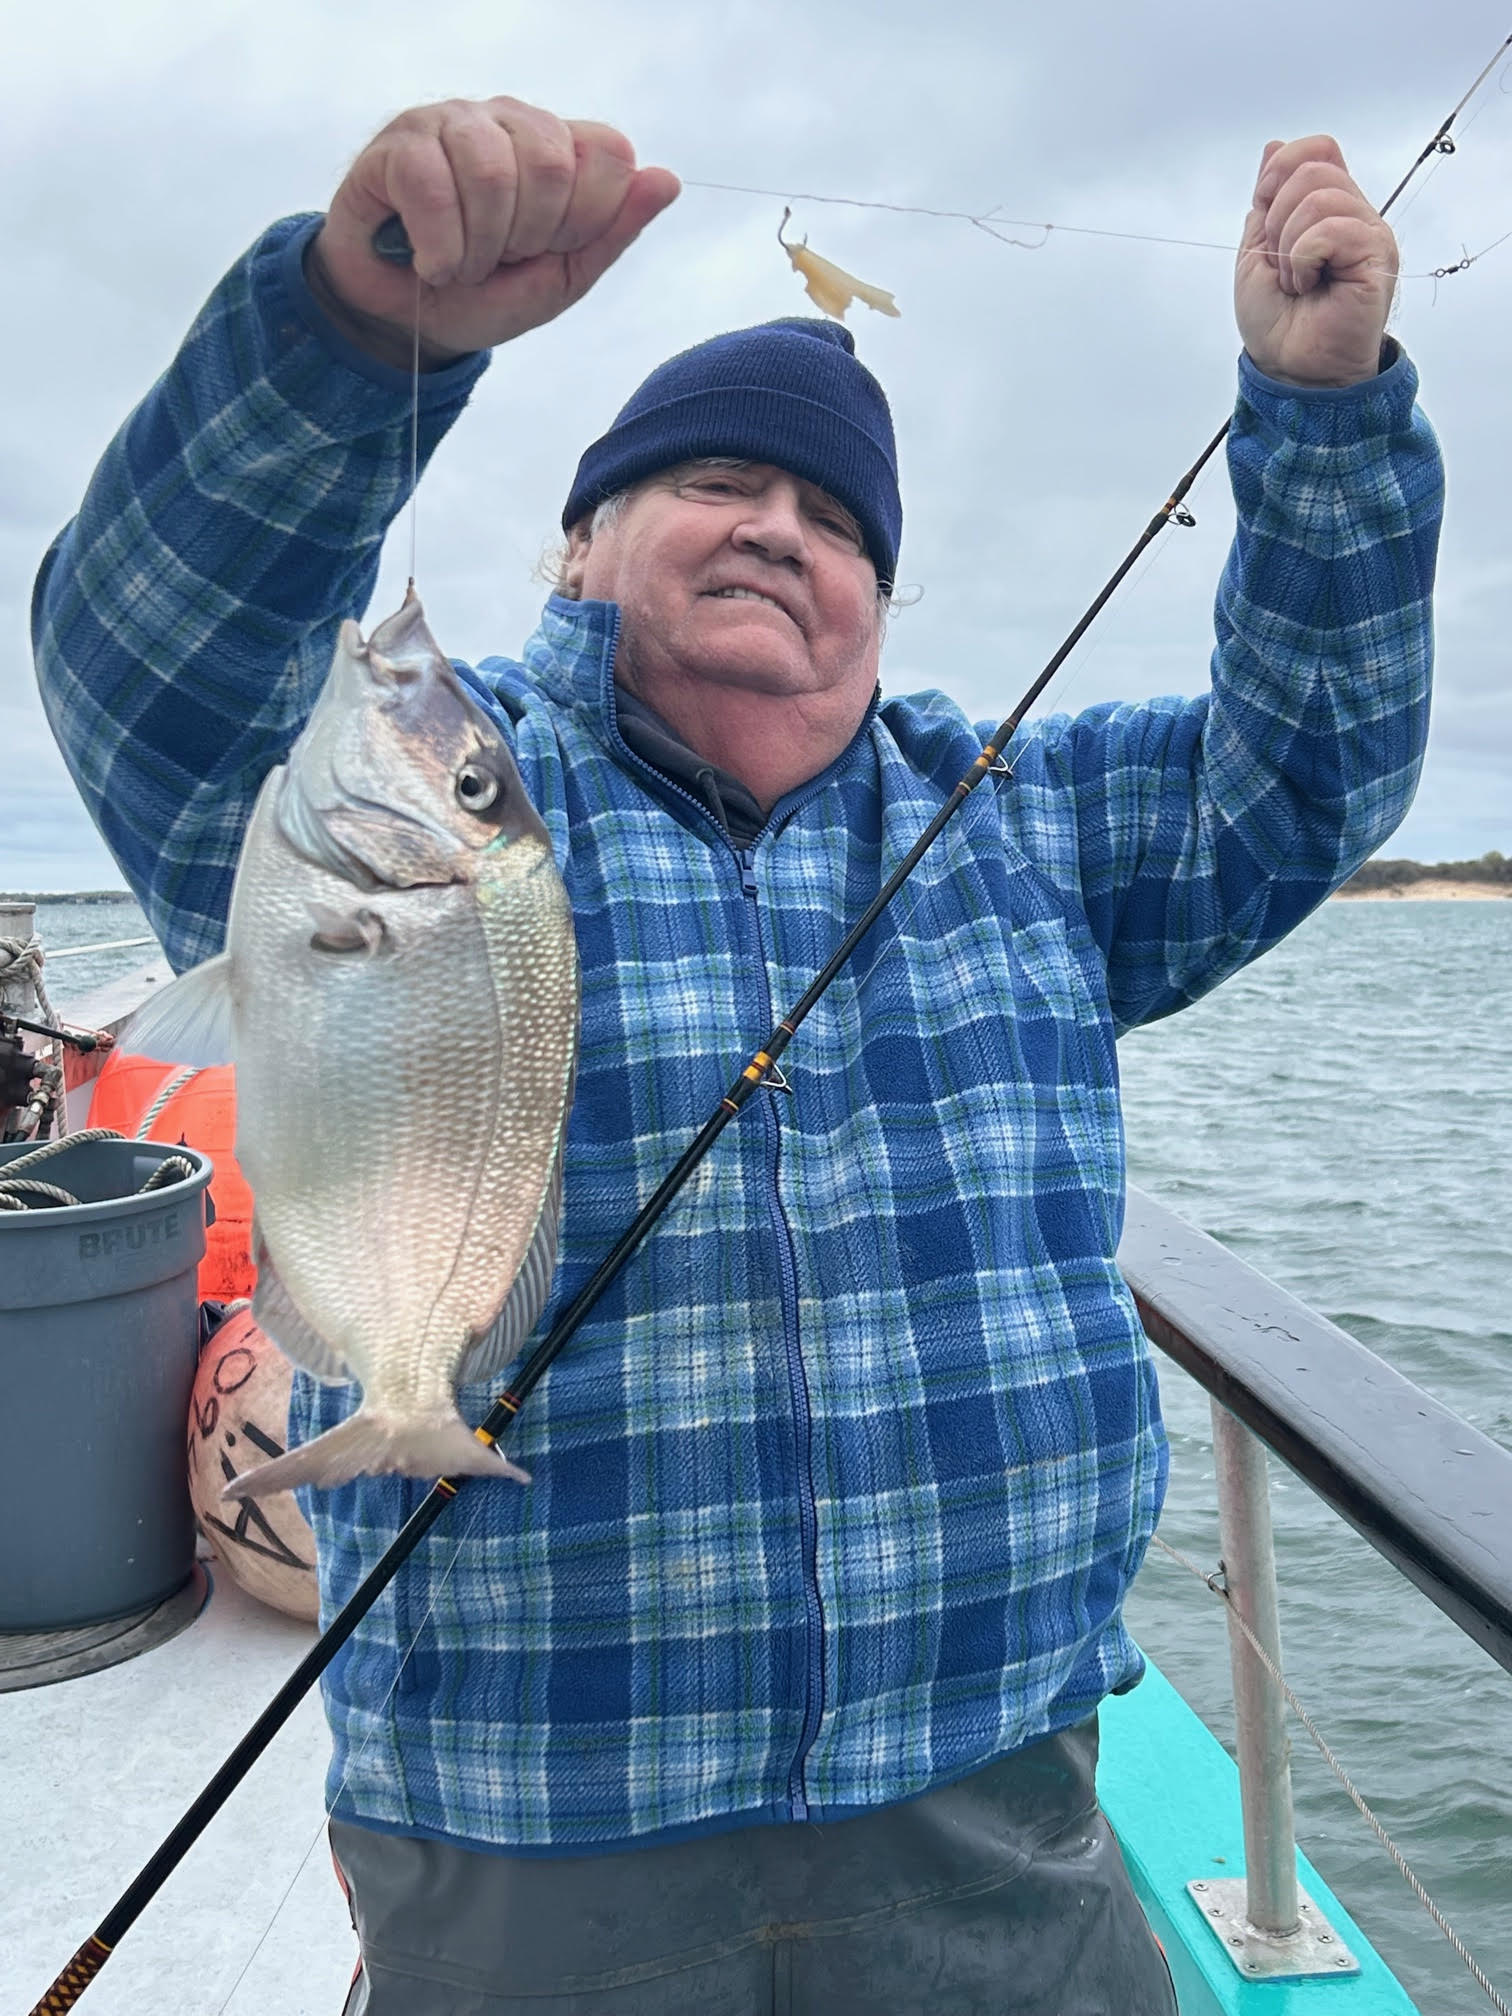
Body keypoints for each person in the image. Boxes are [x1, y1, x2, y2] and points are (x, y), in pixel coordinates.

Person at [34, 96, 1441, 2015]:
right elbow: (162, 657)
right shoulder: (443, 797)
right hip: (534, 1826)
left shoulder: (1019, 822)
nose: (784, 528)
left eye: (841, 522)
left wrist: (1329, 423)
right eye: (714, 483)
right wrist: (350, 336)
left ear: (878, 604)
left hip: (995, 1807)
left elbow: (1310, 770)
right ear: (582, 539)